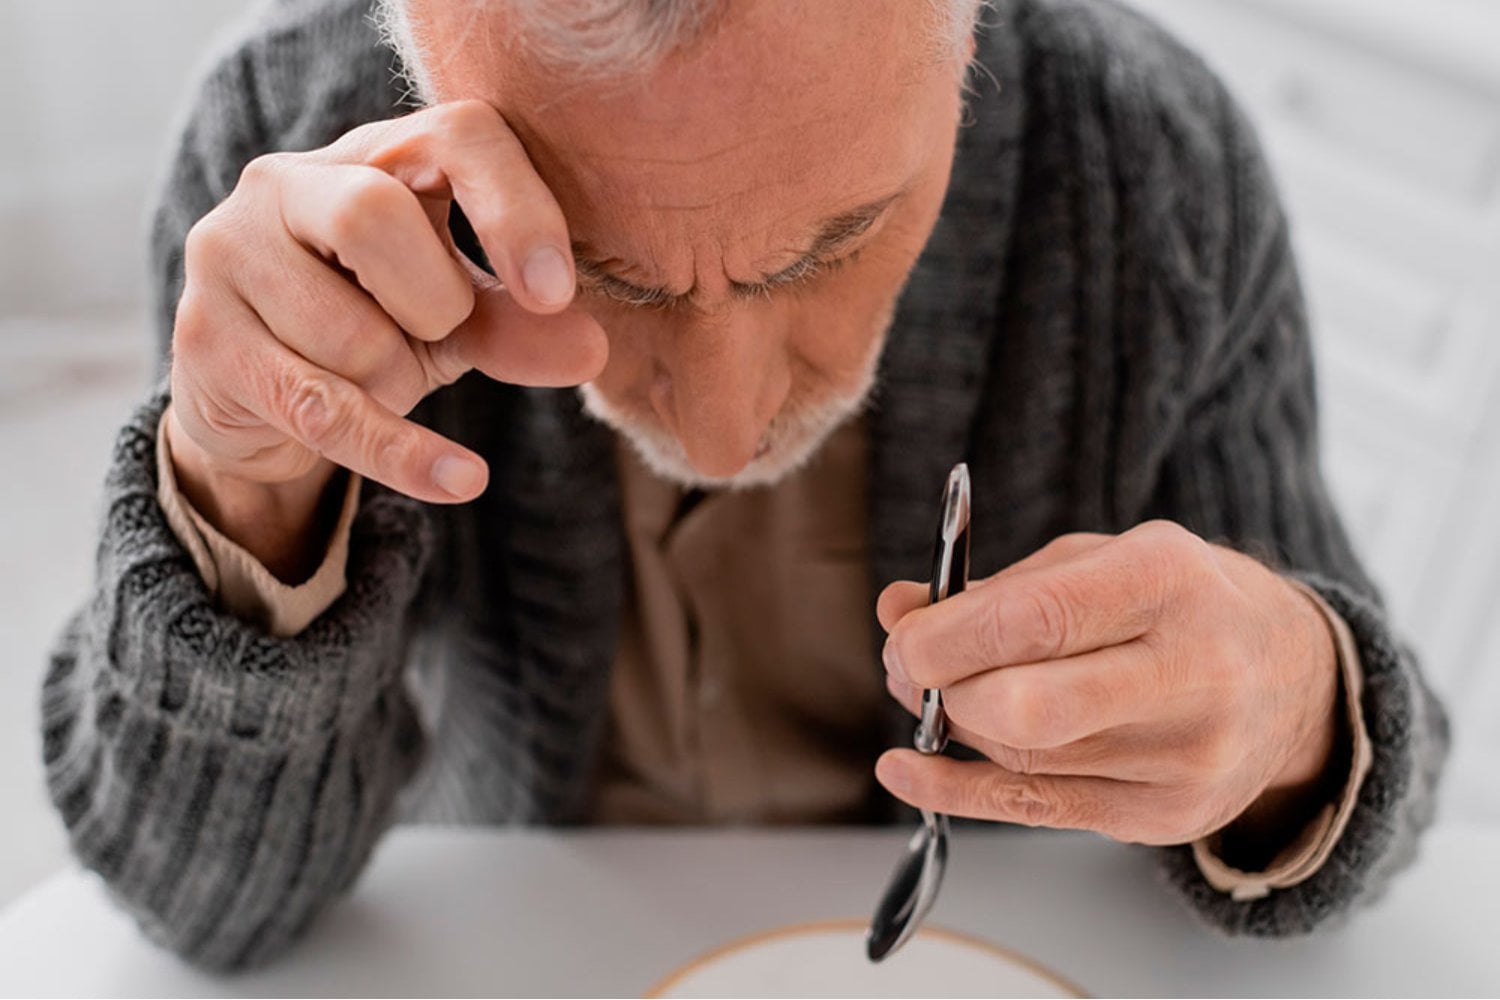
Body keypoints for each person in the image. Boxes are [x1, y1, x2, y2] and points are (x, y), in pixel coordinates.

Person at [41, 0, 1448, 971]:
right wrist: (245, 494)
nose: (725, 431)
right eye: (595, 270)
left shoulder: (1153, 167)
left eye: (833, 245)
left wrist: (1294, 712)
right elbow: (201, 911)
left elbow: (1389, 793)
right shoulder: (285, 157)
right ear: (413, 58)